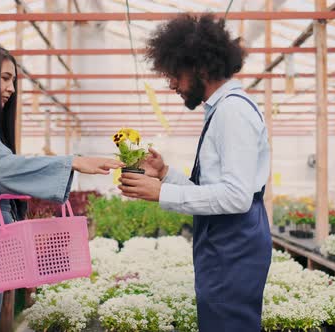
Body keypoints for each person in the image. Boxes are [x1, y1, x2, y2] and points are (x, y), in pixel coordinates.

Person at [0, 44, 123, 331]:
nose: (11, 88)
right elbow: (0, 167)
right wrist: (72, 162)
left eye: (13, 80)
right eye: (5, 78)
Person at [118, 14, 272, 331]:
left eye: (175, 73)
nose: (172, 83)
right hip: (226, 239)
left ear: (201, 66)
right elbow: (213, 189)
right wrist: (164, 174)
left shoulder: (232, 112)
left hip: (234, 242)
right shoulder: (220, 109)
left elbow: (236, 197)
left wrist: (162, 193)